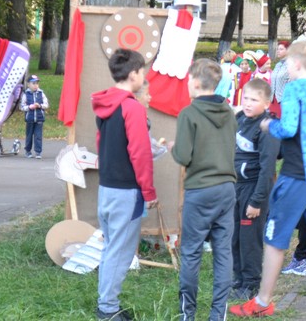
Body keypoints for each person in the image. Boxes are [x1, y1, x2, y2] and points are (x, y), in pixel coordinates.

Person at [230, 40, 306, 320]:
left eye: (287, 63)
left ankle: (262, 301)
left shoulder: (294, 89)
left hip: (296, 175)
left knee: (276, 238)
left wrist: (268, 124)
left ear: (297, 64)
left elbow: (287, 128)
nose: (285, 66)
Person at [92, 48, 158, 321]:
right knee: (119, 251)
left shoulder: (104, 104)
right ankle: (108, 309)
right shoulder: (131, 107)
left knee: (110, 247)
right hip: (126, 192)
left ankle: (106, 303)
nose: (143, 76)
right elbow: (140, 153)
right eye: (142, 71)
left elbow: (101, 143)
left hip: (106, 188)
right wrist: (149, 191)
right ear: (133, 74)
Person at [172, 58, 238, 321]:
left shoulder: (189, 113)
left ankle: (188, 313)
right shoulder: (229, 112)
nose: (187, 84)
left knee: (191, 251)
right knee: (223, 253)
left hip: (200, 190)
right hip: (226, 188)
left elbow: (184, 156)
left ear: (197, 83)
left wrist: (174, 148)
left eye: (189, 79)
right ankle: (217, 314)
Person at [232, 78, 280, 301]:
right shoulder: (239, 119)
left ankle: (251, 283)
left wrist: (256, 200)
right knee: (235, 236)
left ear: (267, 103)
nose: (248, 103)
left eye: (254, 99)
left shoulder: (267, 127)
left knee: (250, 238)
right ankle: (237, 278)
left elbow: (267, 168)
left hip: (253, 190)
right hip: (235, 188)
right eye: (246, 98)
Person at [19, 74, 49, 160]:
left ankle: (38, 152)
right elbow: (22, 107)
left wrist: (39, 105)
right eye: (33, 83)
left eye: (37, 83)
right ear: (28, 84)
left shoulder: (41, 93)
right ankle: (28, 151)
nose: (36, 85)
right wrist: (29, 107)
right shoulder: (26, 94)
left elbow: (46, 105)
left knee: (38, 136)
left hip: (39, 118)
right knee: (29, 135)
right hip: (30, 119)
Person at [269, 41, 291, 118]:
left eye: (281, 49)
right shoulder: (277, 65)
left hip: (283, 100)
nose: (278, 51)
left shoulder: (291, 65)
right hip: (273, 100)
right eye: (277, 49)